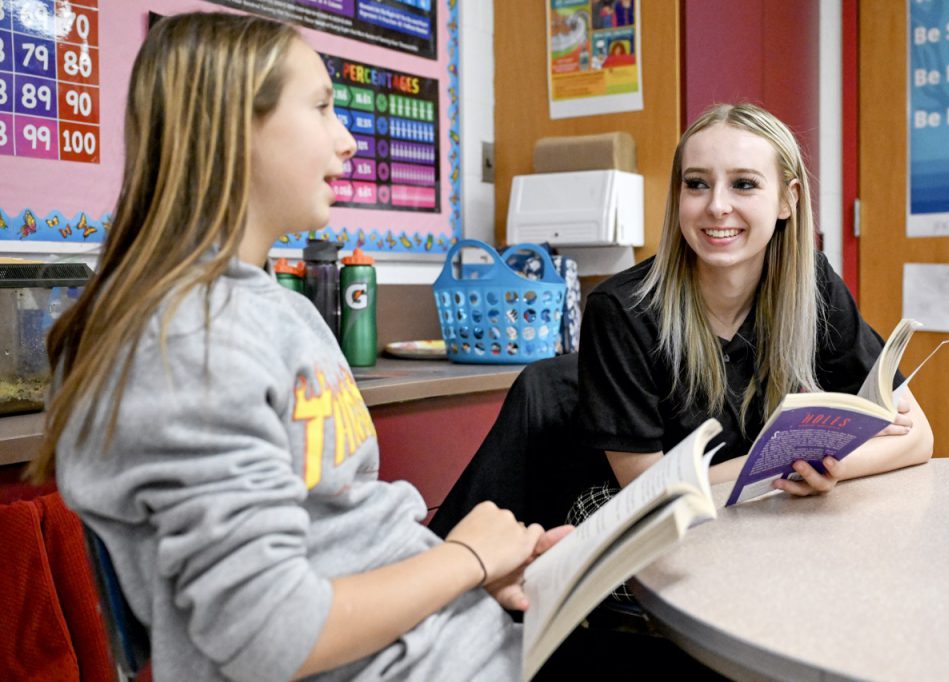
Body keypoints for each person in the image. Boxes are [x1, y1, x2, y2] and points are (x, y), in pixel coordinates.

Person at [28, 12, 568, 681]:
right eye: (320, 108)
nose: (347, 141)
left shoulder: (275, 310)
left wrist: (473, 573)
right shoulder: (181, 343)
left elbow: (341, 546)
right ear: (233, 131)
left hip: (455, 644)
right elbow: (268, 635)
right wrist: (467, 559)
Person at [577, 102, 934, 492]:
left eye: (743, 184)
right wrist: (782, 460)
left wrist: (825, 468)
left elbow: (917, 438)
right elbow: (647, 491)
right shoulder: (621, 310)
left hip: (773, 523)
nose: (716, 206)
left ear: (788, 199)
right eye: (696, 183)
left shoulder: (813, 286)